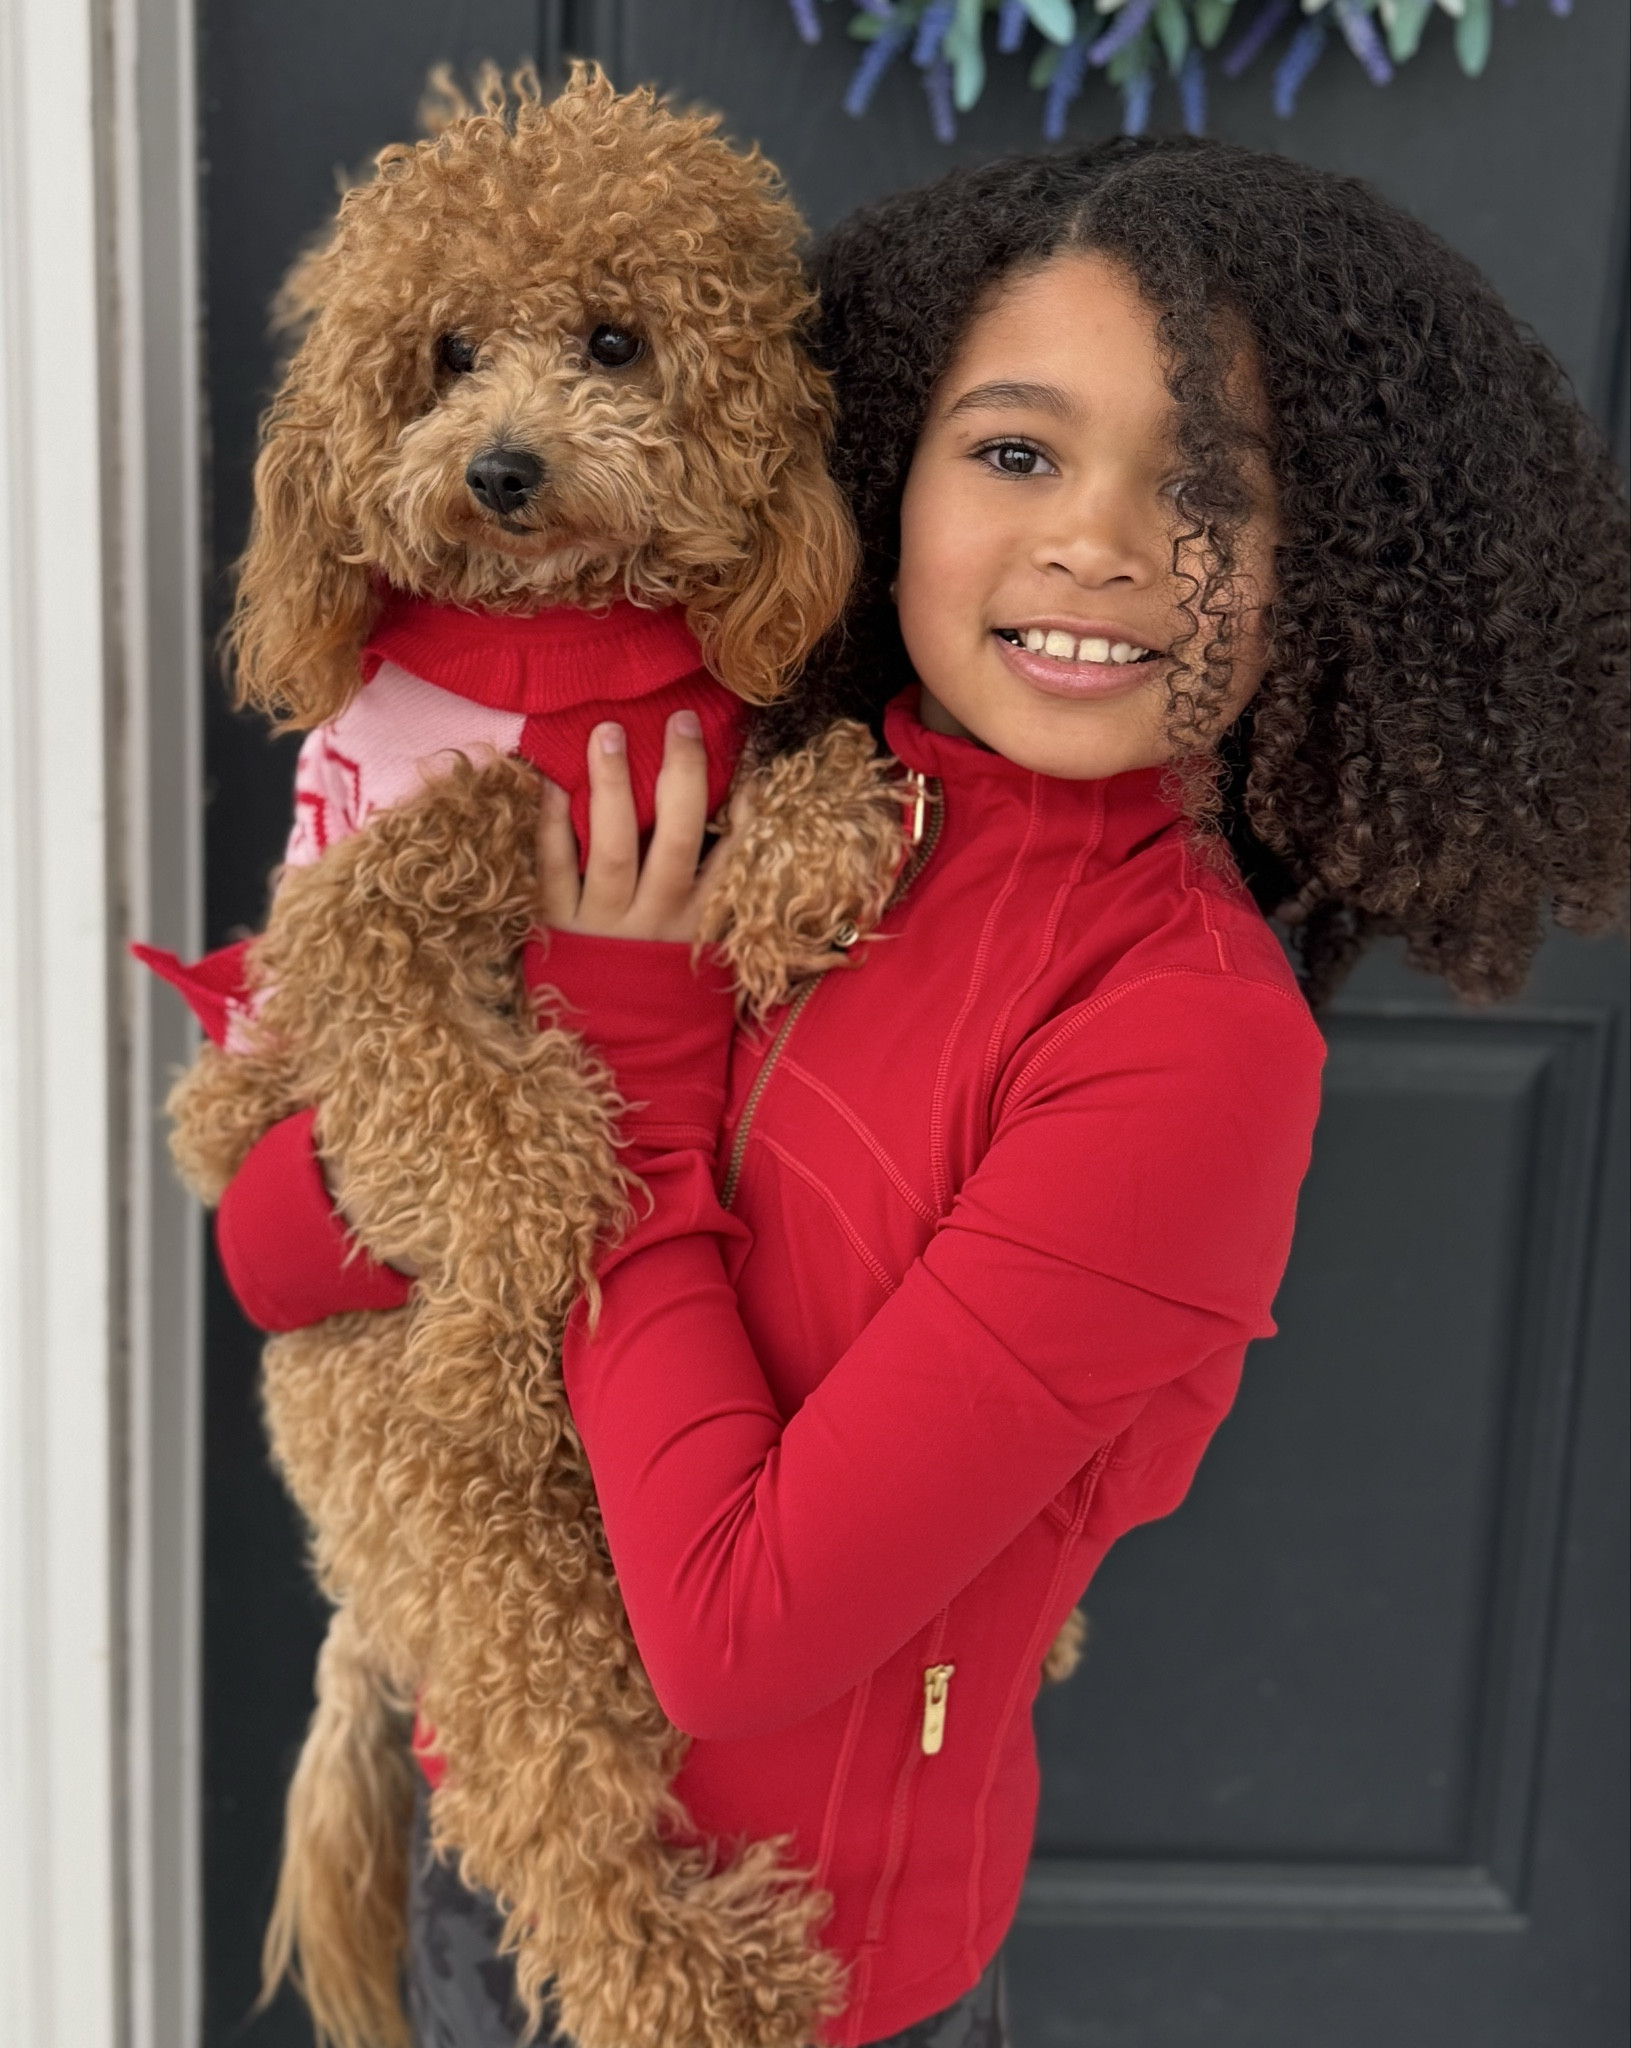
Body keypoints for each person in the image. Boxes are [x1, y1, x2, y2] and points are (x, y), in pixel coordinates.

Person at [213, 138, 1628, 2046]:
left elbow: (735, 1632)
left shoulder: (1185, 1043)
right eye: (1019, 451)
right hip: (488, 1825)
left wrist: (618, 1053)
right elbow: (279, 1255)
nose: (1100, 544)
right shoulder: (764, 783)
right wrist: (434, 1127)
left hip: (759, 1965)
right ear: (892, 465)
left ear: (1332, 566)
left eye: (1211, 489)